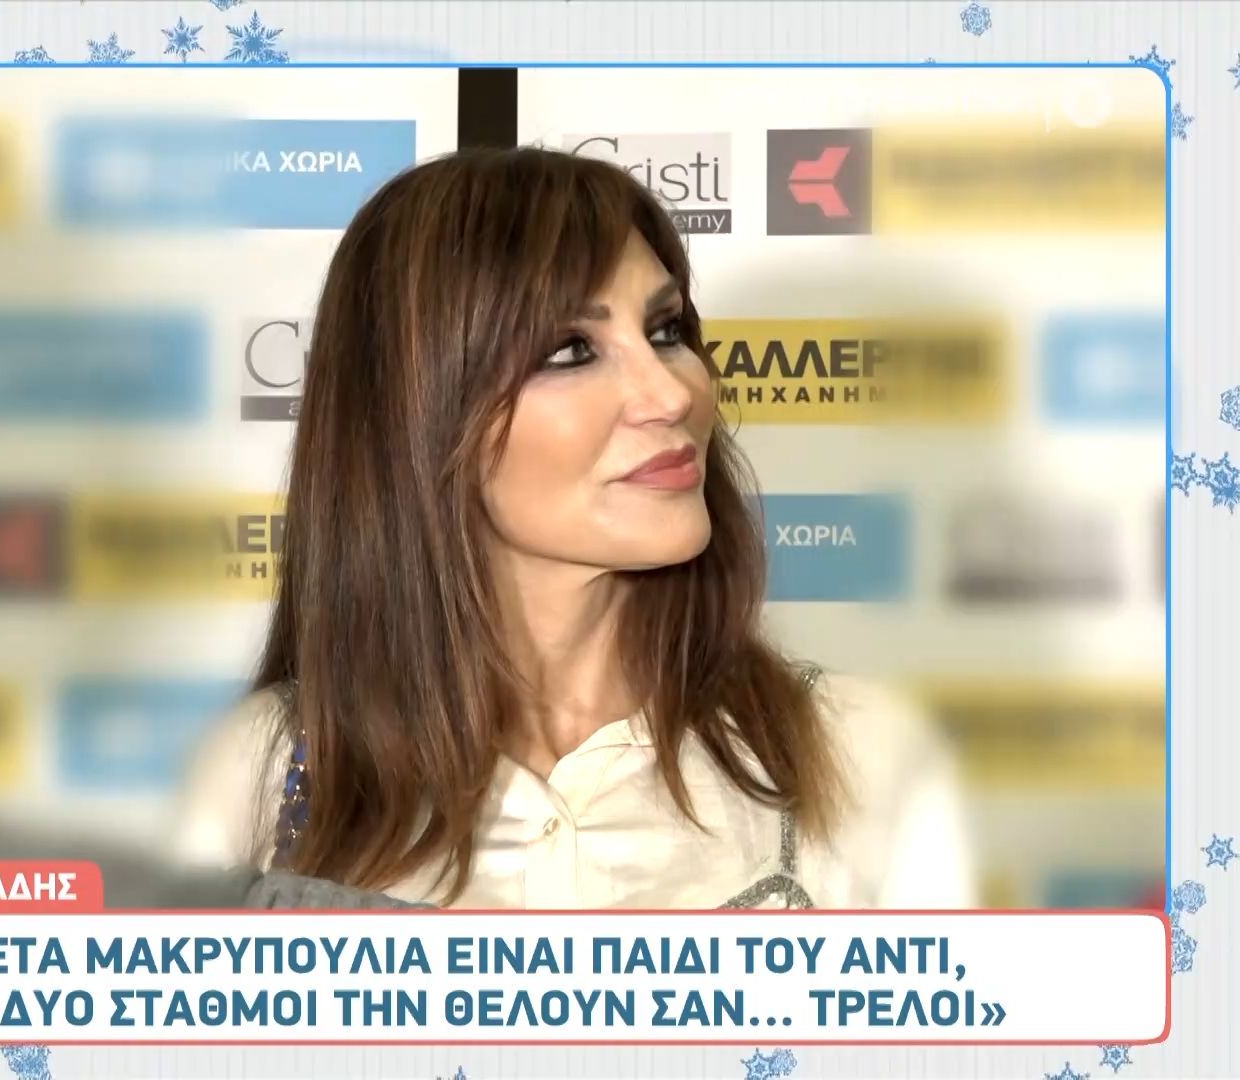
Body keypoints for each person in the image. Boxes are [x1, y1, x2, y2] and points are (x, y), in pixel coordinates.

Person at [174, 147, 975, 910]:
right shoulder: (260, 776)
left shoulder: (867, 757)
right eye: (569, 350)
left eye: (665, 332)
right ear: (417, 414)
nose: (671, 394)